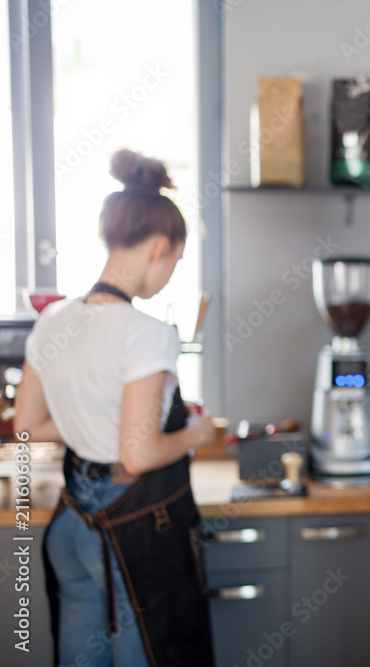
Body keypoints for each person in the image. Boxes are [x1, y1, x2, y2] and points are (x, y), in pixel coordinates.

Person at [14, 149, 217, 666]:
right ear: (159, 247)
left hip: (71, 524)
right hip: (134, 532)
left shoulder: (53, 321)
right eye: (174, 262)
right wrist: (197, 434)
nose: (170, 274)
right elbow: (139, 453)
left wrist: (89, 414)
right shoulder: (147, 333)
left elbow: (28, 425)